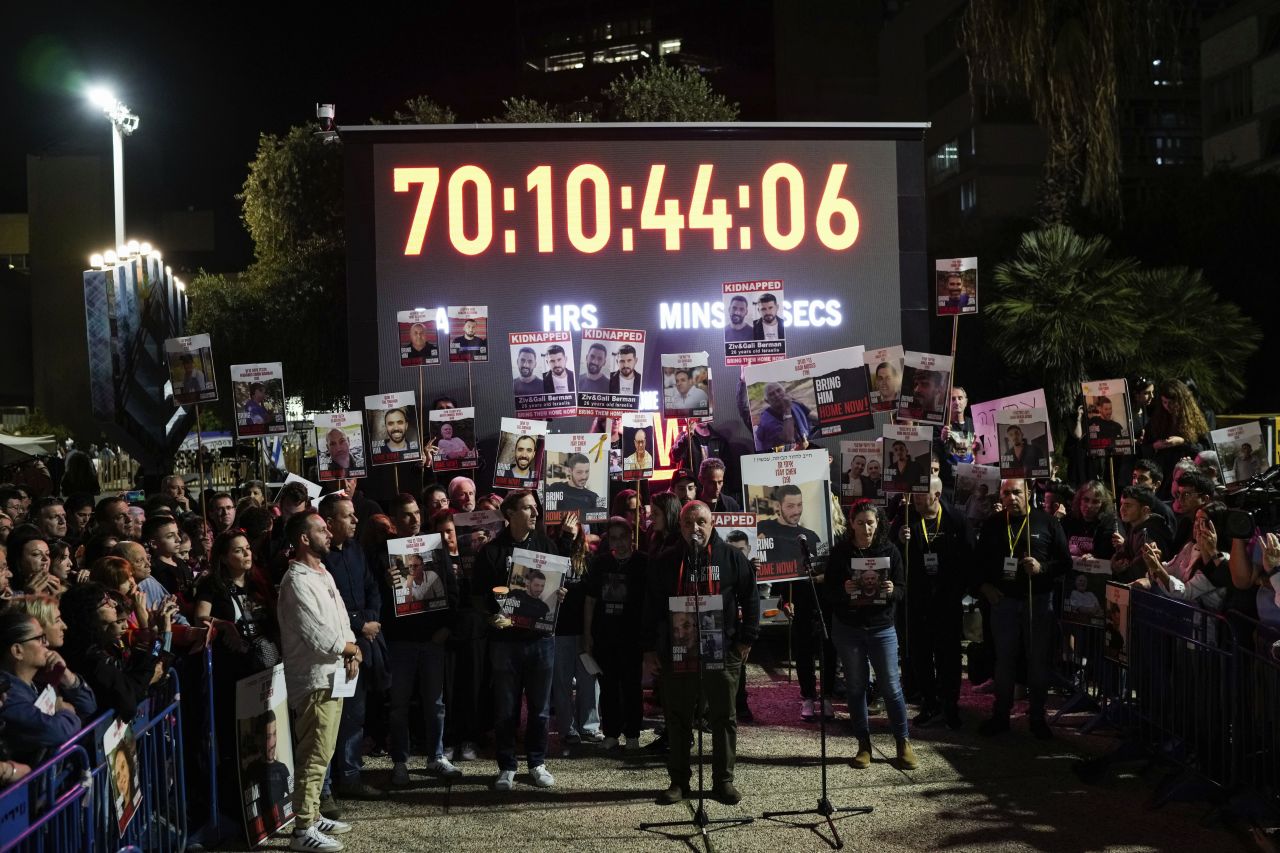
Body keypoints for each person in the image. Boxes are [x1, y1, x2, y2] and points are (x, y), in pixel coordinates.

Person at [643, 500, 759, 805]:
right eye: (688, 523)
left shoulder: (732, 557)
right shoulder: (666, 560)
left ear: (712, 523)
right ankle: (679, 781)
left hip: (722, 651)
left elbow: (751, 598)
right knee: (678, 717)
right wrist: (650, 649)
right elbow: (651, 607)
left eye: (701, 522)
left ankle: (723, 781)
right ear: (680, 526)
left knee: (723, 717)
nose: (695, 528)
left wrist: (746, 640)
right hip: (679, 651)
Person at [474, 490, 573, 791]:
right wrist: (494, 619)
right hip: (505, 642)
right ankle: (506, 765)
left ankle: (536, 762)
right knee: (506, 708)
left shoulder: (546, 545)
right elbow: (478, 598)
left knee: (541, 708)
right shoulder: (491, 552)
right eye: (528, 508)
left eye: (535, 508)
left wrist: (559, 595)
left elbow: (556, 586)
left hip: (541, 639)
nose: (535, 513)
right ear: (510, 513)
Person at [277, 511, 360, 852]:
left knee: (322, 752)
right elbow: (317, 634)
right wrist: (349, 647)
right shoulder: (296, 581)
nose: (329, 533)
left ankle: (311, 814)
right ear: (304, 539)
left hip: (333, 674)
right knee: (313, 754)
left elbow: (340, 617)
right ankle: (302, 830)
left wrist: (353, 648)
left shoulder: (322, 572)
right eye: (321, 529)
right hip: (314, 680)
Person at [976, 479, 1071, 739]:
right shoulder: (993, 524)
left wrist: (1042, 568)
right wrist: (985, 587)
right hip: (1003, 602)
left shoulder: (1047, 521)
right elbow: (978, 562)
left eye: (1017, 492)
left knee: (1038, 661)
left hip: (1038, 601)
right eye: (1006, 493)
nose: (1011, 497)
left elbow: (1065, 562)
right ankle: (1000, 716)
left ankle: (1038, 718)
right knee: (1004, 661)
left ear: (1028, 493)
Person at [824, 500, 915, 769]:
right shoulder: (841, 553)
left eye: (871, 522)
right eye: (861, 522)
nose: (866, 528)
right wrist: (844, 589)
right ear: (851, 523)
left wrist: (891, 590)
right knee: (856, 686)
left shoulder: (890, 550)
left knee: (891, 685)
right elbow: (829, 593)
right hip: (848, 628)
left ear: (879, 523)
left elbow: (901, 588)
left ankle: (903, 741)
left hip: (881, 627)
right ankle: (863, 744)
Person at [316, 495, 388, 802]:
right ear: (329, 524)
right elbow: (332, 605)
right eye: (349, 516)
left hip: (365, 643)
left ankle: (351, 776)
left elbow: (372, 587)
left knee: (355, 715)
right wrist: (360, 625)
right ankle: (327, 785)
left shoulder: (357, 550)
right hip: (339, 647)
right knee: (333, 719)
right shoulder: (320, 560)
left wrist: (370, 621)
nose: (356, 521)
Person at [893, 477, 971, 729]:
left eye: (921, 493)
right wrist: (900, 540)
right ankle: (929, 703)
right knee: (920, 656)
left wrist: (960, 589)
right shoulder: (905, 519)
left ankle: (950, 705)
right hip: (917, 601)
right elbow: (891, 554)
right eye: (914, 493)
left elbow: (969, 555)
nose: (915, 498)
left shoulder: (956, 520)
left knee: (949, 657)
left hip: (947, 601)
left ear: (937, 496)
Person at [60, 582, 170, 720]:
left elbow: (131, 681)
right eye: (106, 601)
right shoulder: (90, 655)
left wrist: (156, 641)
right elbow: (128, 701)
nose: (113, 603)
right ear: (89, 612)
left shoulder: (104, 644)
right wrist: (149, 679)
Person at [0, 609, 97, 765]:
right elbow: (56, 731)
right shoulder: (7, 695)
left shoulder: (39, 681)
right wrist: (64, 710)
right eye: (39, 638)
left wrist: (66, 676)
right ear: (18, 651)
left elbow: (88, 707)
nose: (46, 643)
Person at [583, 517, 647, 749]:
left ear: (632, 536)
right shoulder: (600, 563)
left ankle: (633, 734)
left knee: (632, 686)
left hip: (632, 637)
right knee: (608, 686)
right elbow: (590, 601)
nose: (619, 542)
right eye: (614, 537)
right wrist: (588, 635)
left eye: (623, 536)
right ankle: (611, 733)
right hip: (604, 635)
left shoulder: (643, 562)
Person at [1142, 379, 1211, 499]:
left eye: (1172, 402)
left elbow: (1205, 450)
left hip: (1187, 477)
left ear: (1181, 401)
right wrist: (1154, 446)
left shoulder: (1195, 420)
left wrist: (1182, 442)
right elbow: (1143, 449)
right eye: (1164, 402)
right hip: (1163, 476)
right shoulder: (1157, 419)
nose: (1168, 406)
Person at [243, 710, 293, 835]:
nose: (272, 743)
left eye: (274, 734)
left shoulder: (283, 769)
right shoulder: (251, 769)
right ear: (258, 739)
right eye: (267, 737)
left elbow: (293, 797)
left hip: (279, 824)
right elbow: (249, 804)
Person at [1109, 485, 1174, 582]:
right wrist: (1115, 564)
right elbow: (1120, 555)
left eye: (1128, 505)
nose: (1122, 509)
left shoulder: (1148, 536)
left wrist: (1120, 570)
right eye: (1122, 504)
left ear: (1145, 510)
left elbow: (1137, 573)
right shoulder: (1135, 527)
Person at [756, 484, 822, 576]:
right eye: (790, 506)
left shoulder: (813, 536)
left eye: (799, 505)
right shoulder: (761, 527)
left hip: (803, 588)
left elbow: (824, 565)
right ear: (778, 506)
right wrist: (754, 546)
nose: (796, 511)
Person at [755, 382, 815, 451]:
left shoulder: (795, 404)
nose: (777, 395)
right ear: (767, 401)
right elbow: (788, 439)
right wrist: (787, 410)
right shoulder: (766, 421)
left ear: (785, 392)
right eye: (771, 394)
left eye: (778, 390)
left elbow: (812, 416)